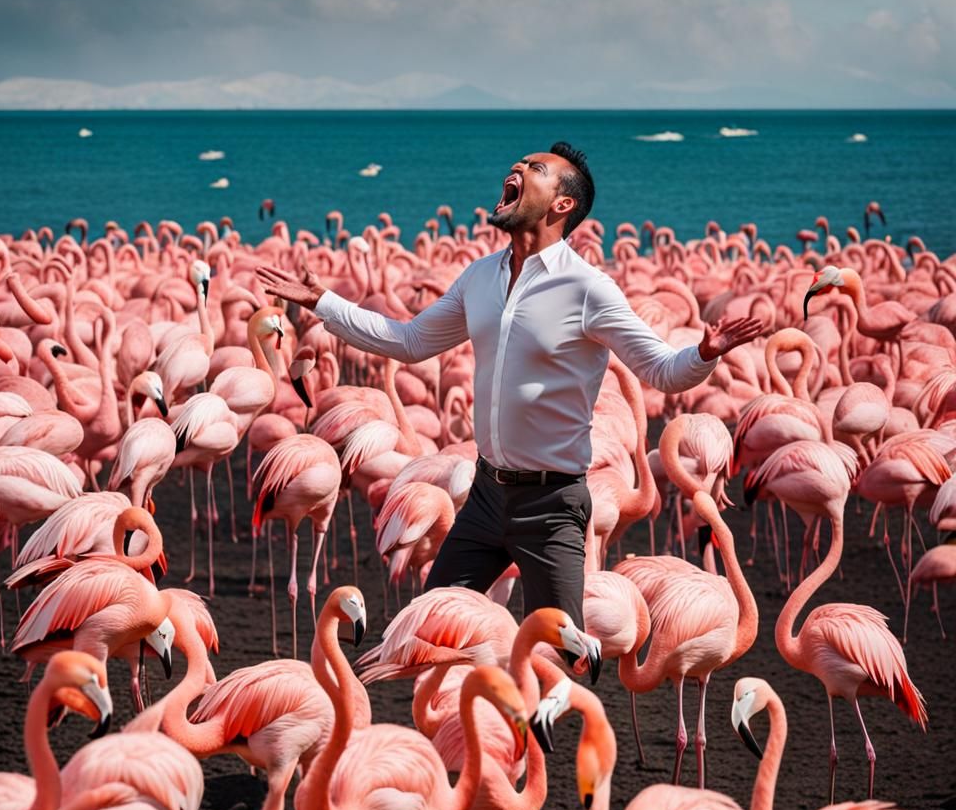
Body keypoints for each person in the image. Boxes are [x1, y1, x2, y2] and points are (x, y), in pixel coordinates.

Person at [257, 142, 762, 628]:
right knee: (427, 627)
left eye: (535, 168)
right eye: (519, 162)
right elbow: (408, 341)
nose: (517, 167)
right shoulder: (479, 278)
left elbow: (660, 371)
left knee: (562, 649)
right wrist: (323, 301)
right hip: (484, 495)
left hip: (552, 504)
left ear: (561, 204)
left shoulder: (588, 289)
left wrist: (704, 353)